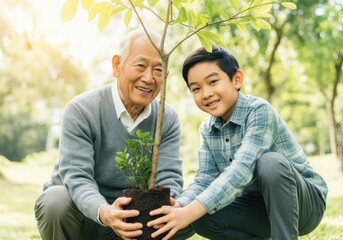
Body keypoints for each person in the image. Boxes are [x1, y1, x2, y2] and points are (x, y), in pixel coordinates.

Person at [148, 46, 328, 240]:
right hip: (259, 207)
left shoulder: (259, 111)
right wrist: (181, 205)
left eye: (213, 81)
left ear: (237, 79)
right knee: (200, 218)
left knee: (270, 163)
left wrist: (190, 211)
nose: (206, 93)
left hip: (304, 205)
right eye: (196, 89)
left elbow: (241, 170)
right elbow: (204, 180)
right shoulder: (207, 128)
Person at [34, 29, 194, 240]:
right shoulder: (82, 110)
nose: (149, 78)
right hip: (86, 219)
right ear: (117, 65)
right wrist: (105, 212)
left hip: (136, 221)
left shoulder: (167, 117)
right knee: (55, 200)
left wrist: (170, 203)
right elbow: (77, 177)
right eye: (140, 65)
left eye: (158, 69)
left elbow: (169, 177)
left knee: (190, 210)